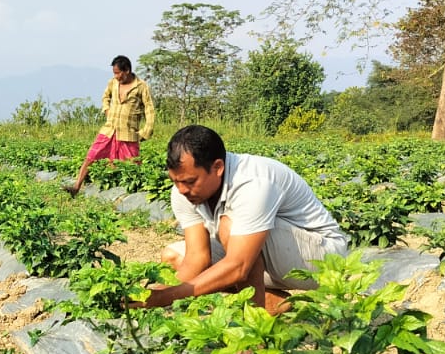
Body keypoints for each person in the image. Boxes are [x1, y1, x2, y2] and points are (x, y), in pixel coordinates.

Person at [135, 124, 348, 315]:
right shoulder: (182, 191)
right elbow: (197, 258)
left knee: (230, 227)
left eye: (190, 181)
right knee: (173, 257)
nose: (182, 190)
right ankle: (269, 301)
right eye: (176, 181)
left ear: (218, 167)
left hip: (319, 260)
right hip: (269, 258)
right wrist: (159, 294)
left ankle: (254, 323)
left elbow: (238, 265)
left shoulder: (253, 181)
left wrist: (166, 297)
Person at [64, 55, 154, 195]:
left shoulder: (141, 86)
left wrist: (146, 130)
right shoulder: (113, 83)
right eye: (114, 73)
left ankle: (138, 193)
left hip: (128, 132)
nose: (116, 76)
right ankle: (76, 187)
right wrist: (106, 110)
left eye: (118, 73)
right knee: (92, 155)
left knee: (134, 165)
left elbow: (149, 109)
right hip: (109, 129)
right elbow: (105, 97)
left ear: (127, 70)